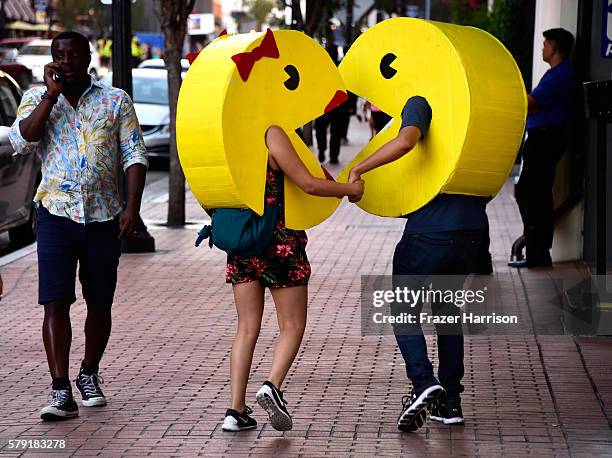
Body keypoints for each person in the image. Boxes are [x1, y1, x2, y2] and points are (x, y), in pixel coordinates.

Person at [9, 31, 148, 421]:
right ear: (51, 60)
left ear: (88, 57)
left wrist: (132, 209)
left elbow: (134, 154)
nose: (66, 60)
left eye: (73, 54)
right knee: (55, 302)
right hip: (55, 214)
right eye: (59, 55)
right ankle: (60, 389)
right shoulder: (37, 99)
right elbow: (23, 142)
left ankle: (89, 373)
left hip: (104, 216)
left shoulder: (114, 100)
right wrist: (50, 94)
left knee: (100, 301)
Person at [349, 96, 488, 432]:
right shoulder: (471, 103)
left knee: (403, 310)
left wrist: (360, 168)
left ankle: (423, 382)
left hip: (430, 230)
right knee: (447, 314)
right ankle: (450, 402)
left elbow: (407, 140)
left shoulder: (422, 99)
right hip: (473, 227)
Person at [222, 126, 363, 432]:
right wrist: (350, 190)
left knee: (246, 328)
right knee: (292, 324)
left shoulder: (229, 132)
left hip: (243, 240)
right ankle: (272, 385)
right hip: (279, 241)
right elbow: (308, 184)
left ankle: (235, 411)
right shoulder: (270, 132)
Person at [509, 28, 576, 268]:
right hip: (543, 137)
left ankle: (537, 251)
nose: (542, 48)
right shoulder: (556, 74)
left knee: (531, 193)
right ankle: (536, 249)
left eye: (546, 43)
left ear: (555, 47)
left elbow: (532, 102)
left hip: (545, 138)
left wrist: (513, 92)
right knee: (534, 192)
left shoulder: (561, 74)